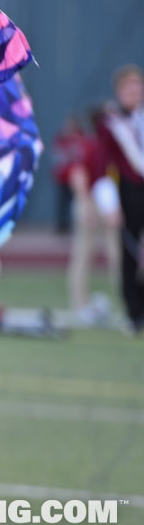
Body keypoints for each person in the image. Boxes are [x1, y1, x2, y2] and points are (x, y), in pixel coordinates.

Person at [52, 113, 120, 325]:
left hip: (103, 199)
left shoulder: (105, 144)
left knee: (115, 254)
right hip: (91, 199)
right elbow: (78, 173)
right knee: (84, 253)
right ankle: (79, 303)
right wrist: (86, 204)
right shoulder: (88, 144)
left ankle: (128, 302)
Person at [94, 64, 144, 333]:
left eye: (137, 86)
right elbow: (103, 166)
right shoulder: (111, 124)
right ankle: (134, 312)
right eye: (128, 87)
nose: (133, 92)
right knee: (130, 255)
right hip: (129, 192)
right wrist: (110, 204)